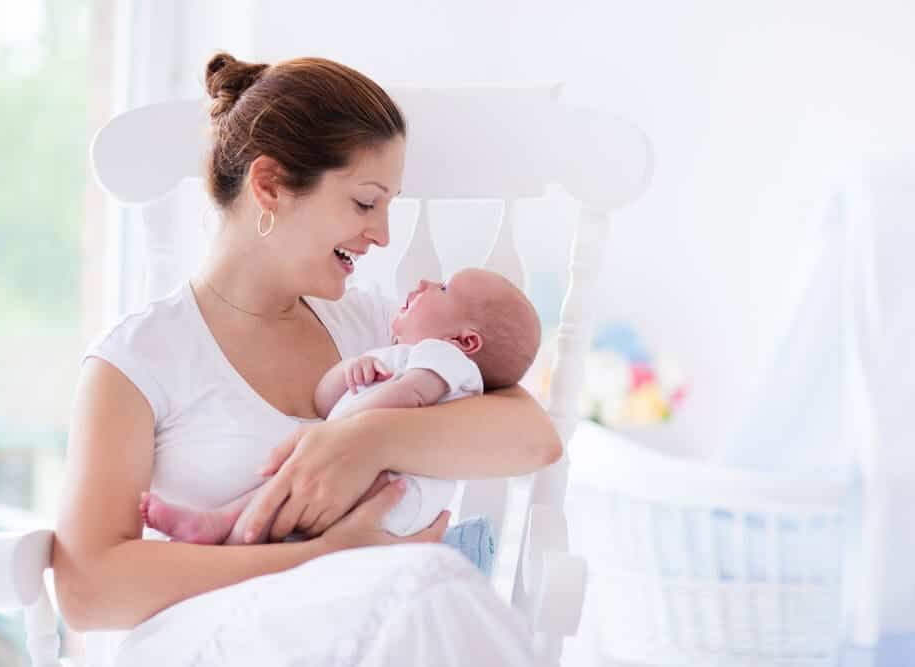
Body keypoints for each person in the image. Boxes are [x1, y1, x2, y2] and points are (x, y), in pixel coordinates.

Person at [52, 52, 560, 664]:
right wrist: (326, 555)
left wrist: (362, 442)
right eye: (366, 202)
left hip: (373, 626)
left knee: (432, 596)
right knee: (431, 590)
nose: (383, 235)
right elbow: (89, 589)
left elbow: (533, 439)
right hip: (217, 636)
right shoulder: (137, 361)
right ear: (269, 185)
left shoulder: (378, 325)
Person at [138, 268, 542, 577]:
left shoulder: (448, 362)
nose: (423, 282)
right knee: (286, 485)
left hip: (396, 491)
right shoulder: (399, 355)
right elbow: (324, 398)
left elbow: (413, 397)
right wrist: (351, 371)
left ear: (466, 341)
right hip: (374, 483)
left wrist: (349, 430)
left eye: (443, 289)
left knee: (294, 484)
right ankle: (219, 523)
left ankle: (222, 529)